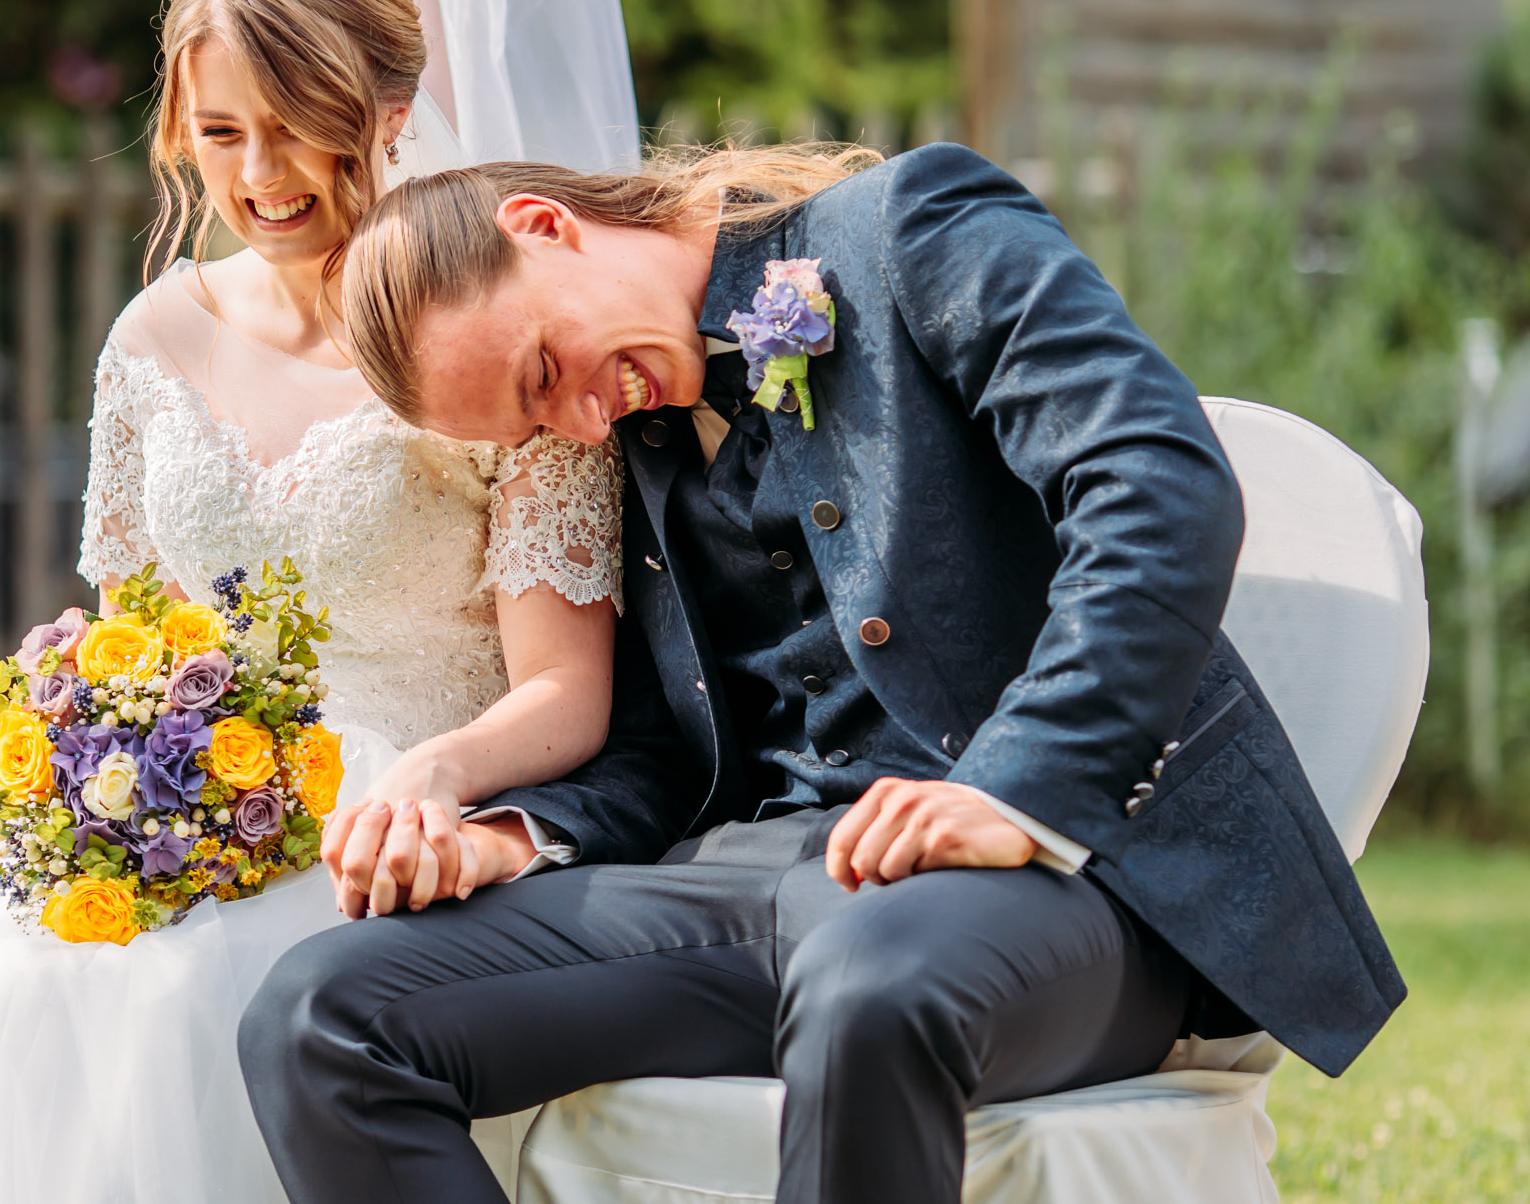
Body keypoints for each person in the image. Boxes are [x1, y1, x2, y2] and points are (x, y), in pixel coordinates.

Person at [240, 143, 1406, 1204]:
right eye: (535, 422)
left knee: (868, 983)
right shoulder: (641, 434)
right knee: (322, 1016)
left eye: (546, 367)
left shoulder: (912, 228)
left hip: (1074, 880)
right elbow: (665, 747)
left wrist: (1018, 787)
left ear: (543, 224)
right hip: (760, 885)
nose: (581, 424)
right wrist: (508, 835)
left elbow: (1154, 484)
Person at [0, 0, 621, 1204]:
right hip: (195, 799)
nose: (258, 178)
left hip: (407, 808)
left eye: (294, 130)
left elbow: (569, 689)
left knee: (179, 993)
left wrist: (427, 781)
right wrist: (90, 689)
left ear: (388, 103)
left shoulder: (485, 329)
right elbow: (148, 623)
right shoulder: (156, 337)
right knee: (11, 968)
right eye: (222, 131)